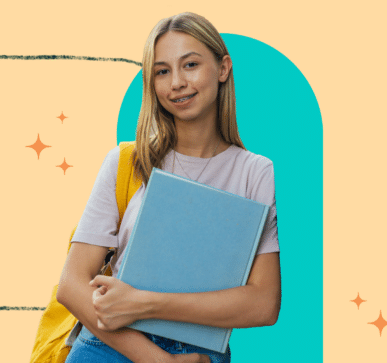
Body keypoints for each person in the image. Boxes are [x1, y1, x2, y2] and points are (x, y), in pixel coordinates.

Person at [56, 12, 280, 363]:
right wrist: (161, 361)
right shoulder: (127, 162)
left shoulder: (254, 172)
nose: (176, 82)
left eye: (190, 65)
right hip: (109, 346)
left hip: (198, 352)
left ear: (223, 69)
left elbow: (263, 305)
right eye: (162, 71)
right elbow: (71, 286)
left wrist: (145, 302)